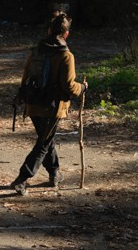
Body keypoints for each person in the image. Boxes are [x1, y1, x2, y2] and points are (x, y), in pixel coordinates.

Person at [11, 12, 86, 196]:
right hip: (52, 107)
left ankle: (54, 173)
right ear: (66, 34)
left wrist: (22, 96)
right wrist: (83, 87)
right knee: (44, 143)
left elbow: (25, 76)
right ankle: (22, 179)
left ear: (49, 31)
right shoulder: (66, 56)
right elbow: (69, 86)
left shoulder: (36, 51)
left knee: (46, 139)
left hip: (32, 103)